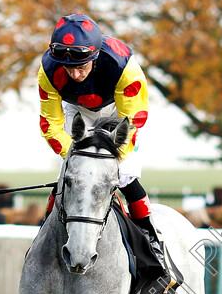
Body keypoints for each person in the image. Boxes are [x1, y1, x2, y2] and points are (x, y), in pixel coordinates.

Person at [38, 14, 168, 271]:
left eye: (82, 66)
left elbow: (133, 121)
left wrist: (110, 160)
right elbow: (49, 125)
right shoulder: (48, 71)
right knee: (71, 173)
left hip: (119, 113)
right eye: (68, 68)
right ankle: (44, 234)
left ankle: (151, 241)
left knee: (126, 175)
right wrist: (75, 156)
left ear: (95, 56)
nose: (75, 74)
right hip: (77, 111)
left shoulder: (124, 67)